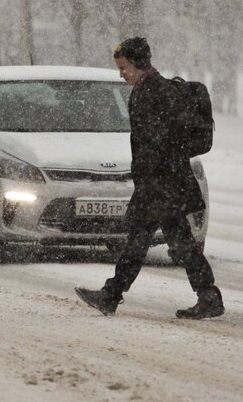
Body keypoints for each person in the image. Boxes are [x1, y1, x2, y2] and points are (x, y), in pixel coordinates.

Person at [75, 37, 224, 320]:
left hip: (161, 184)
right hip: (161, 183)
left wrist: (152, 180)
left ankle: (112, 295)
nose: (121, 74)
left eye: (124, 67)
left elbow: (159, 143)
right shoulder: (149, 90)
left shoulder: (155, 93)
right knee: (171, 242)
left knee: (142, 242)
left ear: (139, 64)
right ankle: (207, 296)